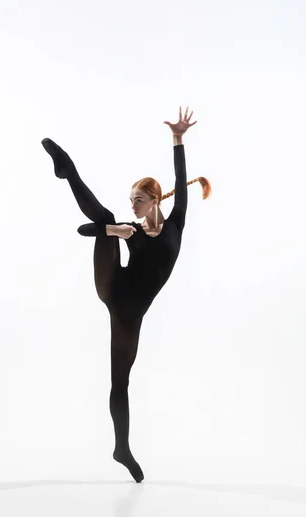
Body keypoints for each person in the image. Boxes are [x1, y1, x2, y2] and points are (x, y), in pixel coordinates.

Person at [41, 106, 211, 483]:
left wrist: (178, 139)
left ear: (154, 201)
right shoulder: (130, 229)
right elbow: (86, 231)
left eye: (137, 200)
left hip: (129, 315)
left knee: (120, 381)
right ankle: (67, 169)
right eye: (131, 199)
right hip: (113, 287)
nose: (132, 205)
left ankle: (122, 448)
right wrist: (114, 232)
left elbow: (182, 181)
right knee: (104, 220)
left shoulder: (175, 226)